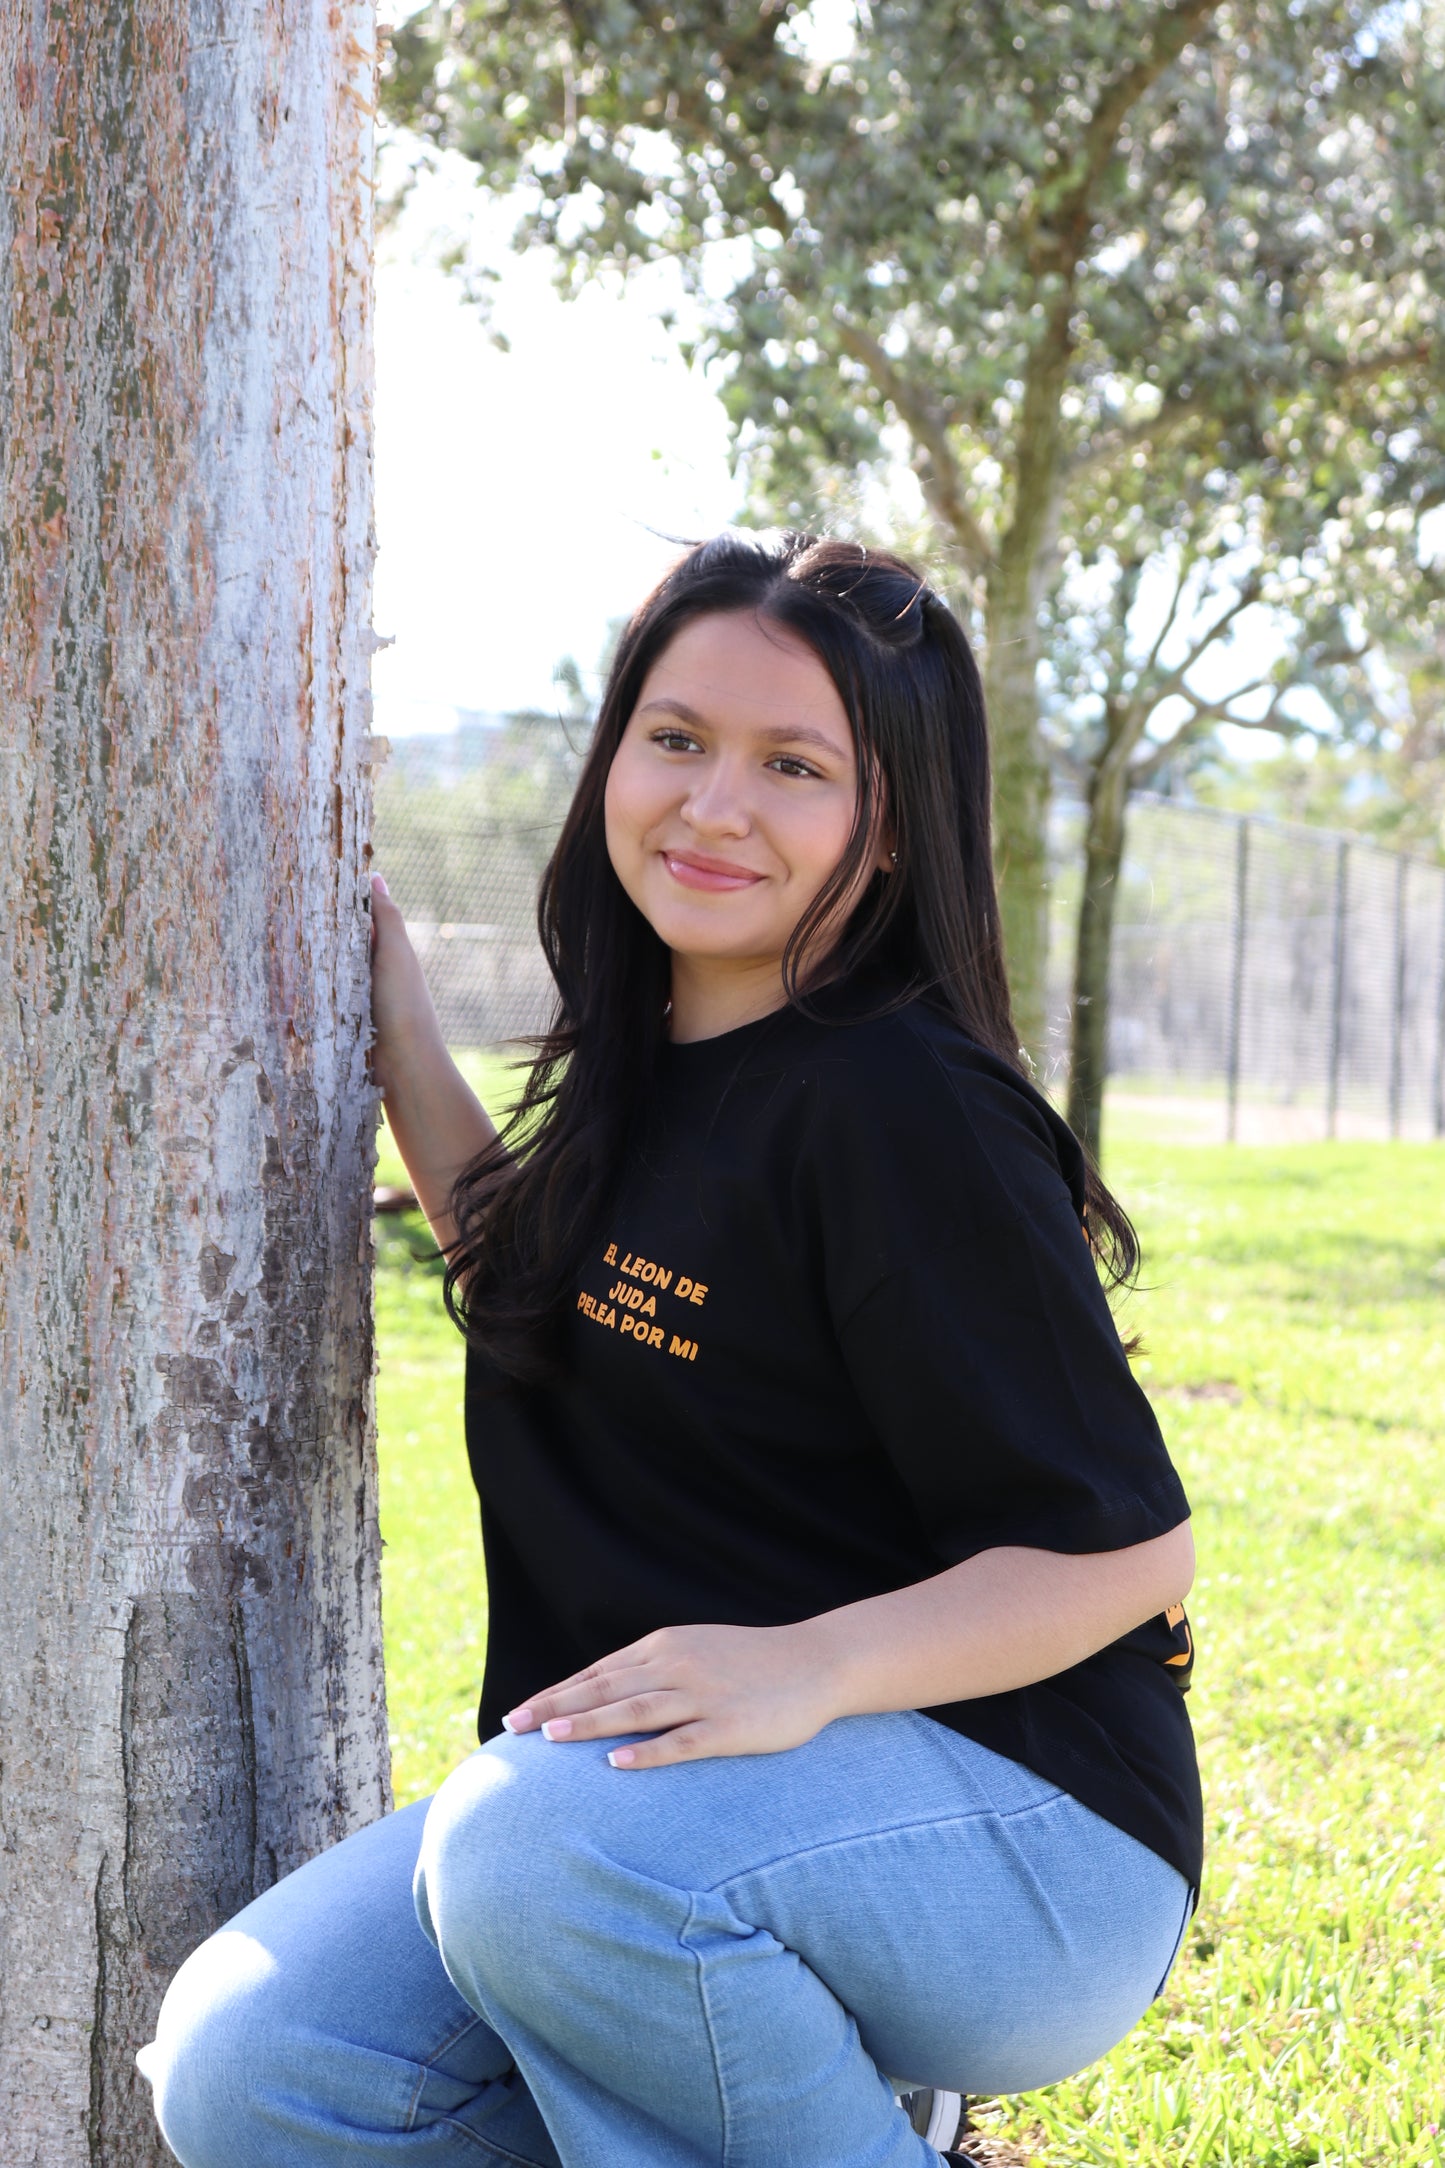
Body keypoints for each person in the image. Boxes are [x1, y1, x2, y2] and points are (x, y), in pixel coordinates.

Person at [138, 531, 1202, 2168]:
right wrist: (397, 1030)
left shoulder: (900, 1108)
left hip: (1025, 1829)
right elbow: (559, 1285)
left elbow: (1125, 1549)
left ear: (895, 822)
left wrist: (808, 1665)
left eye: (794, 765)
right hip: (663, 1809)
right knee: (261, 2062)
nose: (713, 806)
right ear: (613, 751)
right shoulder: (653, 1058)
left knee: (533, 1852)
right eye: (677, 740)